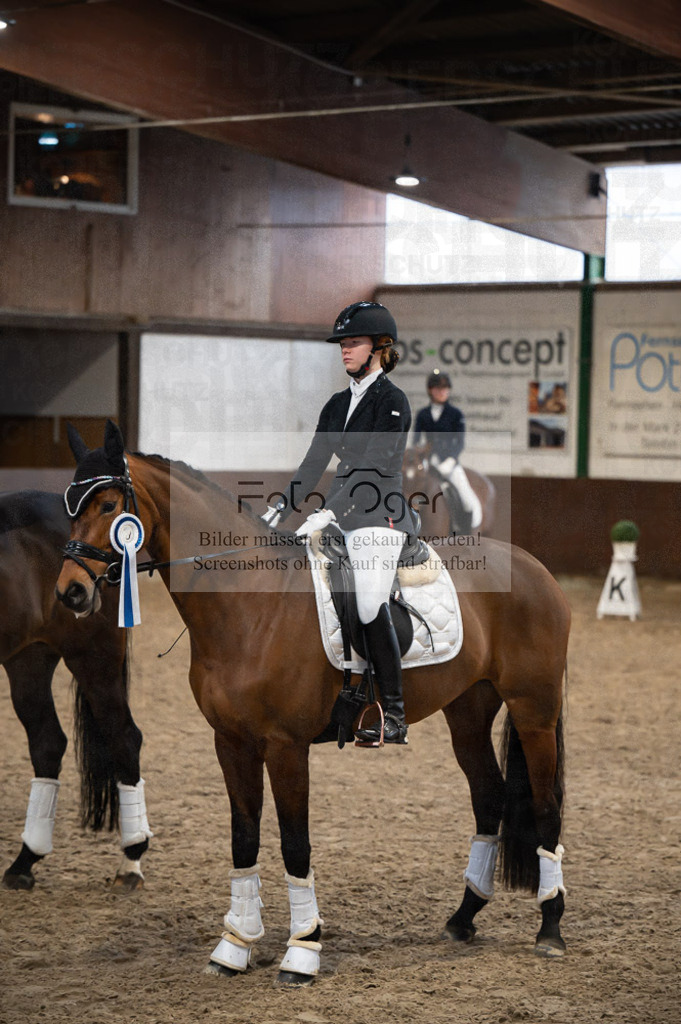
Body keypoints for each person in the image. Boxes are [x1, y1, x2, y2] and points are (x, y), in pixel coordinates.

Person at [263, 301, 413, 744]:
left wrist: (329, 512)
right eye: (342, 344)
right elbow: (312, 465)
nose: (344, 350)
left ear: (380, 348)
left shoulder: (393, 402)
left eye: (353, 343)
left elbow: (372, 465)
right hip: (340, 515)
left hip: (379, 518)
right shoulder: (336, 404)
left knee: (367, 602)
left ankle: (395, 713)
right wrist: (277, 511)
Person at [413, 370, 482, 533]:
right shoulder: (423, 414)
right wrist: (420, 455)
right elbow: (416, 441)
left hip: (449, 464)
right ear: (431, 390)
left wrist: (450, 461)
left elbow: (460, 442)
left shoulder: (456, 414)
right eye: (438, 389)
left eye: (445, 389)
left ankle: (466, 531)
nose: (442, 392)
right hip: (428, 464)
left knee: (468, 499)